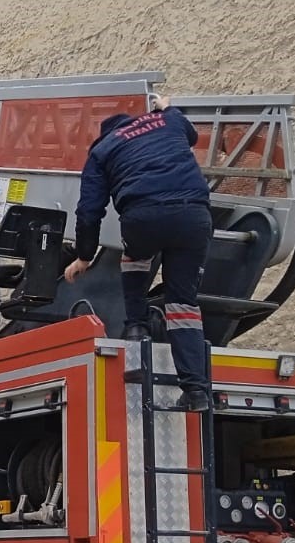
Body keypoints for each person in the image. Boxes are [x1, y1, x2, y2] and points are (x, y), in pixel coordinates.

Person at [63, 94, 214, 411]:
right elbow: (191, 135)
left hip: (144, 218)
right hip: (194, 217)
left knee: (134, 258)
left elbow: (89, 211)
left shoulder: (102, 150)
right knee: (183, 304)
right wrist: (167, 107)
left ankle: (135, 326)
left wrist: (84, 256)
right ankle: (196, 390)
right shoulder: (167, 121)